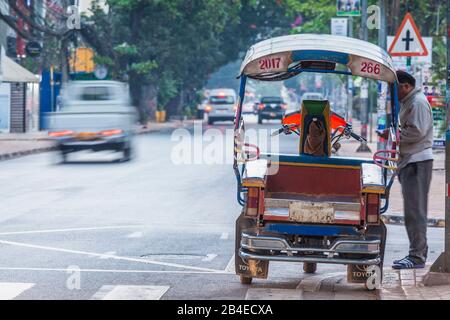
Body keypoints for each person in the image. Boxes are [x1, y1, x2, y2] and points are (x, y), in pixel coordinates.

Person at [392, 70, 434, 269]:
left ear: (405, 86)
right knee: (412, 211)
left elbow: (417, 131)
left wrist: (397, 137)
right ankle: (415, 253)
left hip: (417, 162)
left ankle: (417, 256)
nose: (394, 92)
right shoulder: (409, 102)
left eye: (396, 88)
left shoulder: (417, 103)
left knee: (415, 212)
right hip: (410, 160)